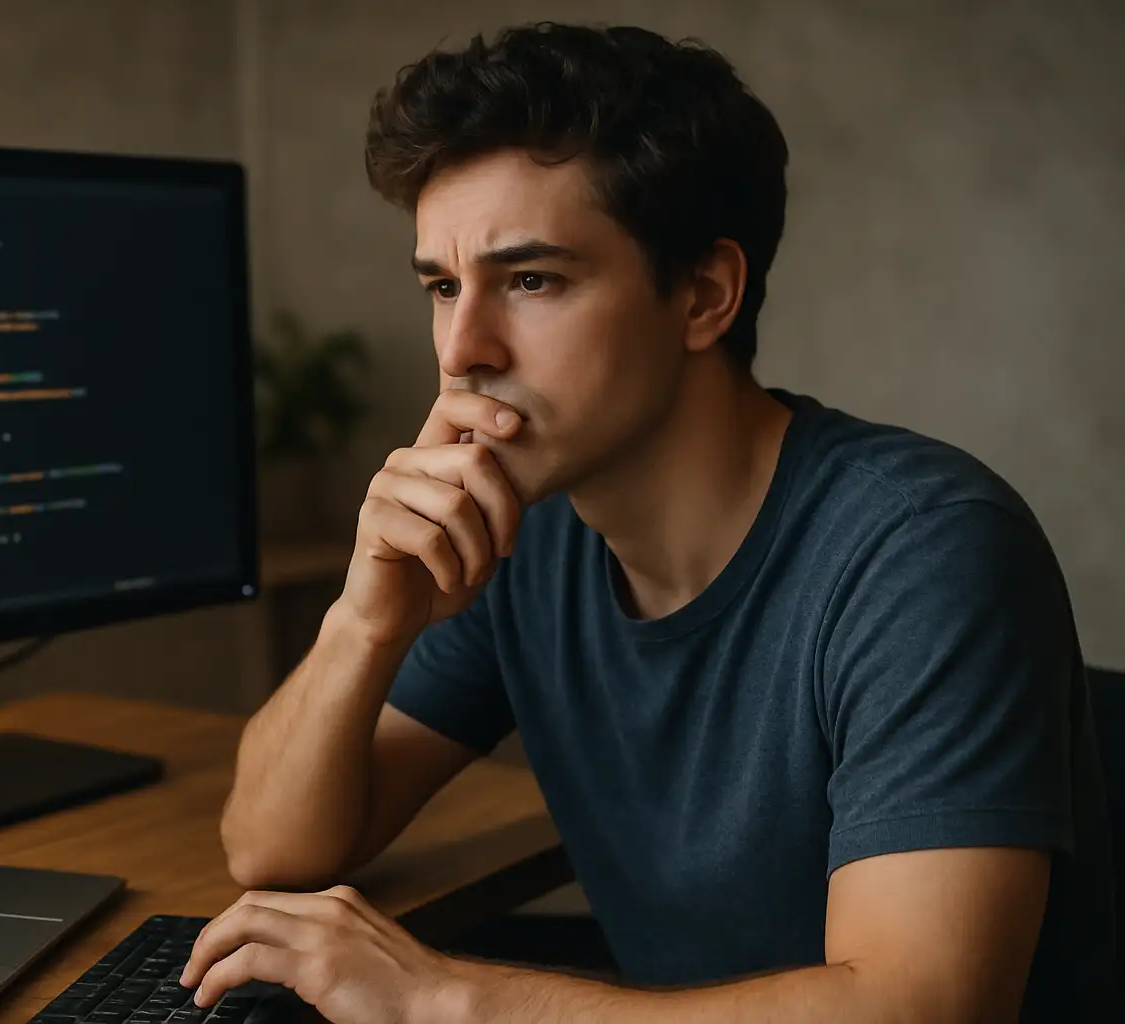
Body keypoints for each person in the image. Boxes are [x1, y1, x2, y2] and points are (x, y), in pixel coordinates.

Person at [180, 21, 1116, 1023]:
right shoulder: (526, 528)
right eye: (443, 287)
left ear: (705, 295)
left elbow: (922, 1006)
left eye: (531, 281)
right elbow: (271, 845)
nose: (462, 349)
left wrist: (440, 999)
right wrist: (370, 617)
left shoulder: (924, 549)